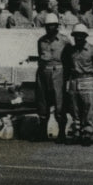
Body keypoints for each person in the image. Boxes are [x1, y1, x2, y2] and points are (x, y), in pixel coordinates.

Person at [63, 23, 93, 146]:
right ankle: (76, 132)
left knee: (88, 107)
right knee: (74, 108)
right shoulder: (71, 50)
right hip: (74, 79)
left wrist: (92, 80)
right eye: (76, 35)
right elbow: (67, 65)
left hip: (87, 79)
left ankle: (87, 132)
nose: (78, 38)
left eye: (81, 35)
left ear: (85, 36)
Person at [35, 12, 70, 142]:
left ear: (57, 26)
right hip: (43, 72)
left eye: (52, 26)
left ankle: (62, 133)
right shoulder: (41, 41)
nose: (50, 28)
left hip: (58, 71)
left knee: (59, 102)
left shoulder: (64, 40)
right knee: (42, 102)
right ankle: (42, 132)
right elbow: (40, 56)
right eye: (48, 26)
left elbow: (68, 58)